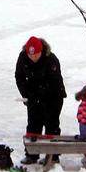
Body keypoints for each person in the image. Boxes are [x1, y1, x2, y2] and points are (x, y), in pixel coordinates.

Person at [15, 36, 67, 165]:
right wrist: (26, 94)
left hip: (53, 96)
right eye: (30, 55)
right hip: (33, 96)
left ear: (41, 51)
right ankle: (32, 155)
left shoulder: (51, 59)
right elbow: (19, 76)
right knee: (33, 124)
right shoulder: (22, 57)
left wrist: (37, 95)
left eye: (36, 54)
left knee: (52, 125)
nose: (33, 58)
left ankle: (53, 156)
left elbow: (53, 83)